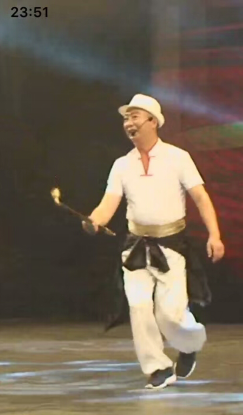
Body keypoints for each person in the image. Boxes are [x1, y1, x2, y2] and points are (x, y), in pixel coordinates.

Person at [85, 94, 225, 390]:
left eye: (134, 117)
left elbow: (201, 197)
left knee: (169, 314)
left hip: (170, 246)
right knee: (138, 306)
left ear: (153, 121)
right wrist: (94, 221)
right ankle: (157, 367)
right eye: (126, 118)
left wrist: (214, 235)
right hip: (135, 247)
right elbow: (108, 204)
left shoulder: (178, 158)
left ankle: (188, 346)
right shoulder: (122, 165)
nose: (129, 123)